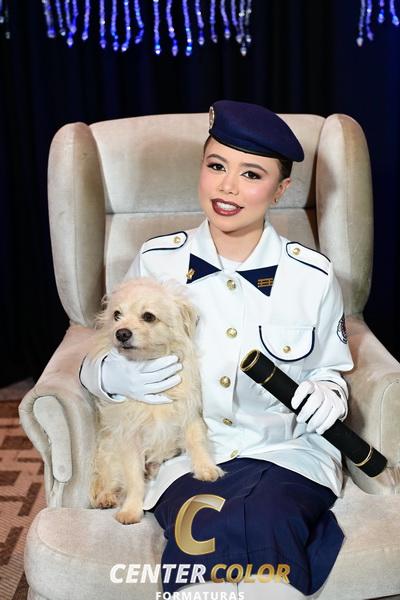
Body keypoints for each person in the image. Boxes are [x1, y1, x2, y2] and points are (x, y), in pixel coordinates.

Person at [80, 100, 354, 599]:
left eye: (251, 174)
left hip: (285, 451)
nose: (227, 187)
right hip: (188, 457)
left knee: (268, 515)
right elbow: (107, 341)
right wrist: (108, 376)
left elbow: (332, 370)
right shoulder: (157, 259)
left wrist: (328, 392)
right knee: (202, 525)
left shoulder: (312, 276)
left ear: (281, 189)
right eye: (216, 166)